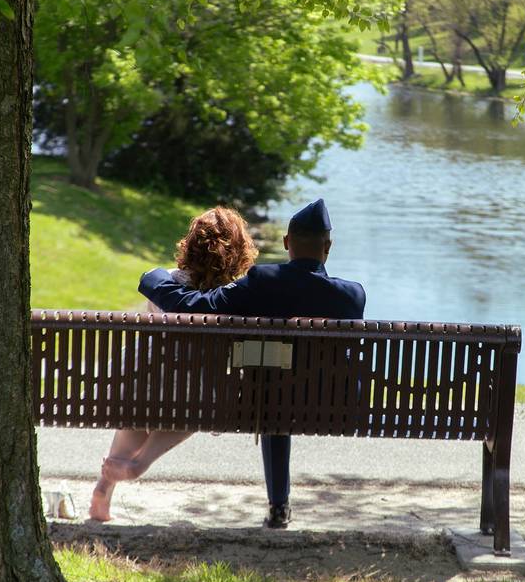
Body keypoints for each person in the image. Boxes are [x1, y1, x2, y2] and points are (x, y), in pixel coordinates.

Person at [139, 198, 365, 528]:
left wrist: (153, 279)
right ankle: (279, 505)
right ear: (327, 247)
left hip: (270, 403)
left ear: (287, 243)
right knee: (283, 389)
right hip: (338, 407)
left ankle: (279, 506)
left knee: (275, 393)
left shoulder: (262, 281)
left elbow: (198, 306)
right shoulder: (352, 296)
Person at [89, 207, 259, 522]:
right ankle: (140, 464)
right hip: (190, 396)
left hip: (137, 385)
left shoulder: (164, 282)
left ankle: (104, 487)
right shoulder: (231, 298)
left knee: (140, 411)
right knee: (201, 407)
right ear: (237, 254)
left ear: (190, 245)